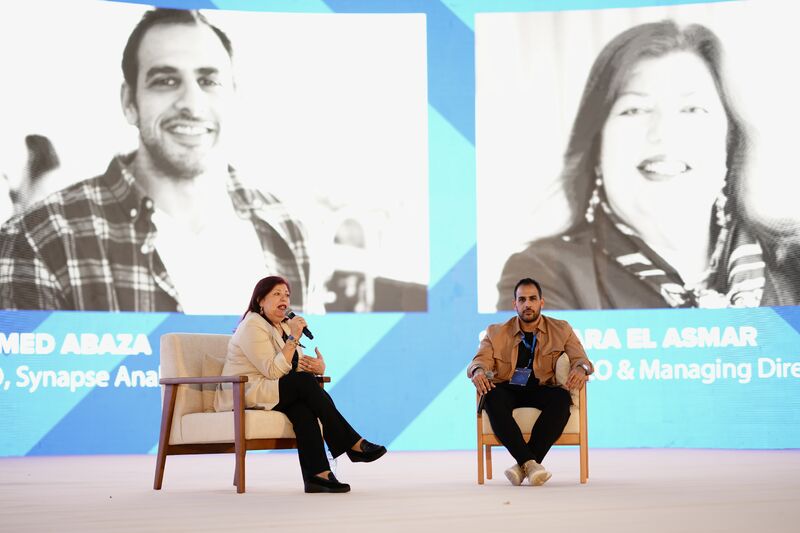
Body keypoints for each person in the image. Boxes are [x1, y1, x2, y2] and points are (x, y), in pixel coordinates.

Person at [0, 8, 309, 313]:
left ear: (234, 96)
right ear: (129, 102)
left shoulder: (286, 228)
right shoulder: (37, 240)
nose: (192, 104)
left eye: (209, 81)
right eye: (166, 81)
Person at [497, 20, 800, 311]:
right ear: (596, 147)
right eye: (634, 110)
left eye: (692, 109)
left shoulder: (793, 263)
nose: (664, 133)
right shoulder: (544, 276)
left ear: (730, 142)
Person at [215, 275, 387, 493]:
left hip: (272, 389)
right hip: (245, 390)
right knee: (304, 384)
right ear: (260, 300)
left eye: (287, 295)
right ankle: (352, 443)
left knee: (304, 408)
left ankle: (318, 476)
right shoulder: (252, 325)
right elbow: (273, 371)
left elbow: (293, 367)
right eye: (277, 294)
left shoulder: (284, 326)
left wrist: (317, 367)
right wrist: (294, 337)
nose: (284, 299)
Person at [470, 278, 592, 486]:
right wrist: (478, 371)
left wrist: (581, 369)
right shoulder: (495, 332)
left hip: (542, 388)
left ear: (541, 302)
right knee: (491, 396)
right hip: (508, 387)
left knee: (562, 398)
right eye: (522, 300)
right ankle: (530, 463)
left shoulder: (561, 329)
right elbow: (480, 360)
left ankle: (522, 466)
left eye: (532, 299)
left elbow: (581, 359)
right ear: (514, 304)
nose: (527, 304)